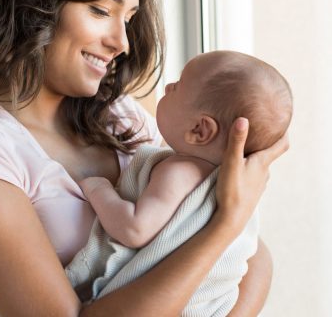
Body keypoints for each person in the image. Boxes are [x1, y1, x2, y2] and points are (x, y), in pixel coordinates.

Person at [0, 0, 288, 316]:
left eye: (129, 18)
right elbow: (218, 237)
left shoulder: (118, 115)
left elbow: (249, 259)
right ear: (31, 1)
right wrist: (226, 223)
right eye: (100, 10)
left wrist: (231, 224)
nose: (122, 42)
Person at [65, 50, 293, 314]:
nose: (169, 86)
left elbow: (134, 229)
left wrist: (99, 189)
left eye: (178, 86)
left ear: (200, 130)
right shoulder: (221, 183)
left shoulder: (179, 172)